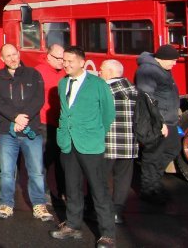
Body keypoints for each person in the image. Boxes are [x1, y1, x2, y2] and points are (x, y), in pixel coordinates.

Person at [50, 46, 116, 248]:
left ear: (81, 62)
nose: (65, 64)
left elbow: (108, 113)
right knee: (72, 187)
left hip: (90, 144)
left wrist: (95, 133)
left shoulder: (98, 84)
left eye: (70, 61)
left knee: (99, 190)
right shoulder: (63, 83)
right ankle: (73, 225)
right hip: (68, 143)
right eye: (64, 60)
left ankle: (107, 234)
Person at [0, 44, 53, 221]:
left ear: (19, 54)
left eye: (14, 54)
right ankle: (6, 204)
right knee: (7, 171)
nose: (12, 58)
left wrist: (23, 118)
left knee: (36, 171)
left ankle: (39, 205)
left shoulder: (33, 74)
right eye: (8, 56)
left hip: (31, 130)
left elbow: (38, 99)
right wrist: (15, 117)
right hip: (6, 132)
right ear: (2, 59)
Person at [135, 44, 181, 205]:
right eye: (172, 60)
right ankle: (149, 190)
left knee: (173, 148)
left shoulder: (163, 69)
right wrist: (159, 123)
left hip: (170, 120)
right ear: (162, 59)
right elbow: (147, 98)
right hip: (158, 121)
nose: (174, 64)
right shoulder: (147, 71)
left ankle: (155, 181)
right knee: (153, 155)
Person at [99, 59, 138, 224]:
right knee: (122, 179)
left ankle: (101, 210)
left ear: (109, 72)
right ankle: (117, 212)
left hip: (107, 142)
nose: (99, 73)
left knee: (100, 178)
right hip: (129, 143)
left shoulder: (104, 91)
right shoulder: (135, 90)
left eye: (101, 70)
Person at [33, 42, 66, 205]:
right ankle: (44, 193)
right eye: (58, 58)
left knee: (62, 161)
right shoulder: (39, 72)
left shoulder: (65, 72)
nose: (61, 61)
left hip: (62, 123)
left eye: (63, 58)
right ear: (48, 56)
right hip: (44, 123)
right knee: (43, 161)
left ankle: (63, 192)